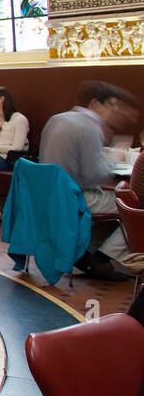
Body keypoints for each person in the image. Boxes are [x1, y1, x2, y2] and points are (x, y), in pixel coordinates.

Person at [40, 81, 140, 281]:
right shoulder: (89, 126)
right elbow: (93, 176)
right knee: (135, 208)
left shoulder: (56, 119)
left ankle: (86, 250)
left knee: (119, 201)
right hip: (75, 197)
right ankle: (104, 257)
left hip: (49, 196)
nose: (115, 111)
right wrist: (116, 156)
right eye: (112, 105)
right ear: (95, 103)